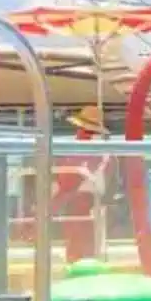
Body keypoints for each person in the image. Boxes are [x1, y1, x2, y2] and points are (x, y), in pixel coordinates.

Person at [52, 105, 110, 262]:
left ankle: (77, 259)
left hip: (82, 194)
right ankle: (80, 258)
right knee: (81, 232)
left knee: (78, 232)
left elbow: (74, 173)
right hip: (85, 193)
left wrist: (59, 193)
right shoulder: (97, 144)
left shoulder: (88, 144)